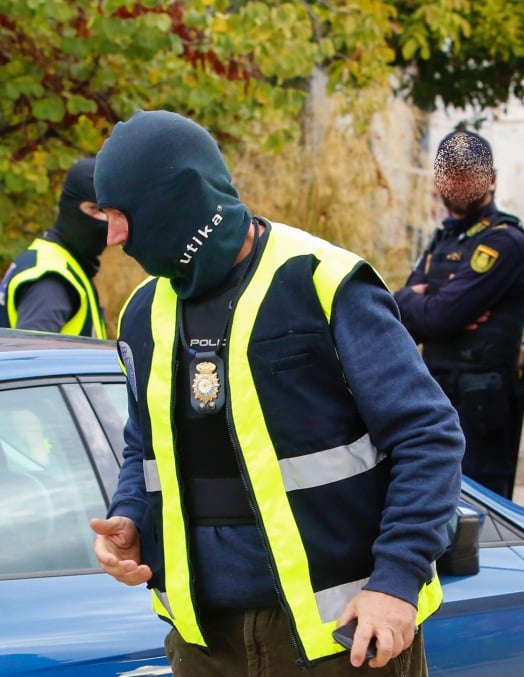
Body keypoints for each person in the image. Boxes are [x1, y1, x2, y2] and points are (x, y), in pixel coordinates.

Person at [87, 110, 465, 676]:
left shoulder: (323, 283)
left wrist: (397, 582)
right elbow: (145, 441)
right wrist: (130, 517)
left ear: (178, 203)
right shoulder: (144, 310)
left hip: (346, 643)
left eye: (122, 216)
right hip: (207, 648)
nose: (114, 238)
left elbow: (429, 438)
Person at [394, 130, 524, 500]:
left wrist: (428, 303)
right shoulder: (443, 239)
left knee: (481, 515)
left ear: (491, 179)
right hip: (435, 397)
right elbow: (400, 315)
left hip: (481, 406)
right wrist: (422, 303)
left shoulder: (505, 240)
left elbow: (439, 318)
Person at [0, 157, 109, 337]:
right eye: (94, 209)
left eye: (109, 212)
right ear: (69, 206)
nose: (104, 221)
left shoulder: (47, 256)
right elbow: (33, 360)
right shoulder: (53, 279)